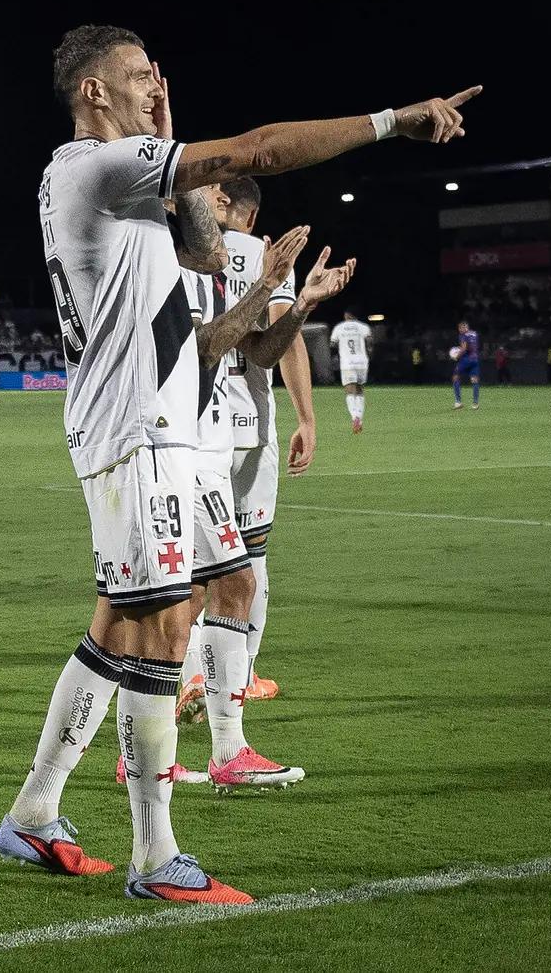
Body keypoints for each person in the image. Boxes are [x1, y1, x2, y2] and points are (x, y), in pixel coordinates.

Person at [0, 23, 476, 903]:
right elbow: (257, 151)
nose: (153, 85)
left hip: (156, 428)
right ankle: (154, 858)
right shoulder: (90, 166)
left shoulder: (126, 186)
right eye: (138, 76)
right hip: (137, 433)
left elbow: (211, 253)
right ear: (93, 92)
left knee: (117, 630)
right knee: (165, 628)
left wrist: (175, 132)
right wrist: (392, 121)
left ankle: (34, 810)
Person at [171, 185, 354, 792]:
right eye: (202, 185)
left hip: (212, 440)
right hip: (177, 445)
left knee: (215, 584)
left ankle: (213, 735)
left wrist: (297, 300)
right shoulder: (170, 255)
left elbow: (262, 345)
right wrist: (268, 281)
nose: (215, 192)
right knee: (165, 602)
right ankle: (165, 749)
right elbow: (204, 348)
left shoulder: (222, 260)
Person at [216, 176, 307, 700]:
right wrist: (308, 418)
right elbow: (283, 341)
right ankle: (243, 674)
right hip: (250, 423)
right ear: (251, 215)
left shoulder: (180, 249)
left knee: (193, 561)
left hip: (193, 428)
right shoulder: (262, 255)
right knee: (253, 556)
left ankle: (188, 677)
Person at [330, 311, 374, 432]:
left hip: (347, 363)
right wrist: (369, 354)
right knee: (359, 390)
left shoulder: (339, 328)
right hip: (362, 362)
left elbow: (332, 344)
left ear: (346, 315)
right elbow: (370, 343)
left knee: (350, 391)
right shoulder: (363, 327)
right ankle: (359, 418)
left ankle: (354, 417)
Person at [454, 320, 481, 409]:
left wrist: (456, 356)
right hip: (475, 359)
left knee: (456, 376)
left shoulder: (463, 335)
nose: (460, 329)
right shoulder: (474, 333)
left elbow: (464, 349)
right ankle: (475, 403)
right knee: (474, 380)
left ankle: (458, 402)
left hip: (466, 360)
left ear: (463, 328)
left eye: (461, 328)